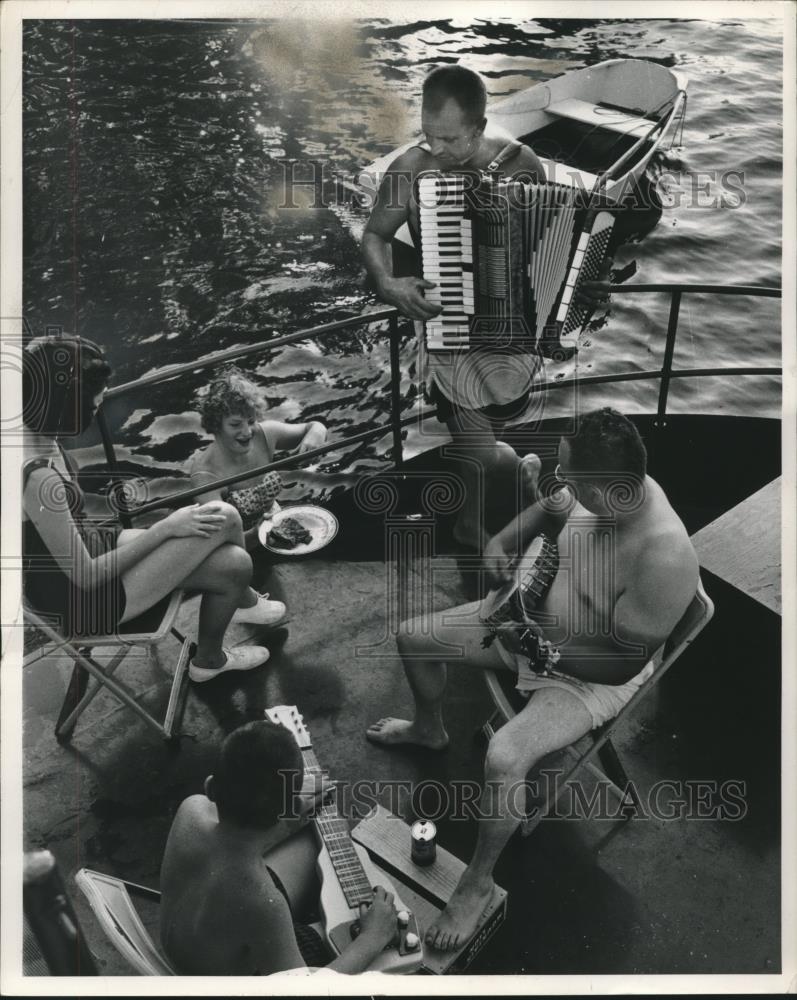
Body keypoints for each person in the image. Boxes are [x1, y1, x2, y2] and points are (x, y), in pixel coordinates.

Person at [366, 408, 699, 952]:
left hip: (584, 679)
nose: (560, 481)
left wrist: (542, 648)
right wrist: (500, 542)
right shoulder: (608, 493)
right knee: (411, 636)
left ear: (608, 489)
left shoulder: (664, 557)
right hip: (528, 620)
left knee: (503, 755)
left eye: (571, 476)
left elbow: (620, 662)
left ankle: (476, 884)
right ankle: (430, 728)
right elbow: (551, 508)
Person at [362, 64, 609, 550]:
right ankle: (476, 518)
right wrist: (390, 285)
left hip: (510, 331)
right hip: (446, 322)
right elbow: (375, 234)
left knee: (479, 439)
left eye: (452, 139)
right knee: (473, 443)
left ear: (479, 127)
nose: (439, 149)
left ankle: (502, 485)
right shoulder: (410, 169)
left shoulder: (522, 162)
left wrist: (582, 289)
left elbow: (553, 244)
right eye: (429, 135)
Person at [21, 336, 283, 684]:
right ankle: (239, 612)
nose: (99, 406)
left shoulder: (33, 425)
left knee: (235, 563)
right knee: (227, 520)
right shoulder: (38, 477)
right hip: (82, 599)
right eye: (93, 405)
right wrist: (167, 527)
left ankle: (212, 655)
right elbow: (85, 576)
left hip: (85, 545)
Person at [160, 719, 400, 975]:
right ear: (288, 812)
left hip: (188, 947)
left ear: (210, 786)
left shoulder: (191, 809)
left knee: (318, 837)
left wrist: (285, 810)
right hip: (231, 984)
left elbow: (236, 841)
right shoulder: (266, 904)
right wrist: (371, 938)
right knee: (347, 939)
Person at [188, 366, 327, 554]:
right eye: (235, 424)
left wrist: (315, 435)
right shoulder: (205, 474)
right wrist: (257, 532)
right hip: (240, 547)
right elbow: (222, 544)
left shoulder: (265, 434)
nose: (247, 432)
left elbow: (314, 426)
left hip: (278, 527)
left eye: (251, 421)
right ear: (216, 425)